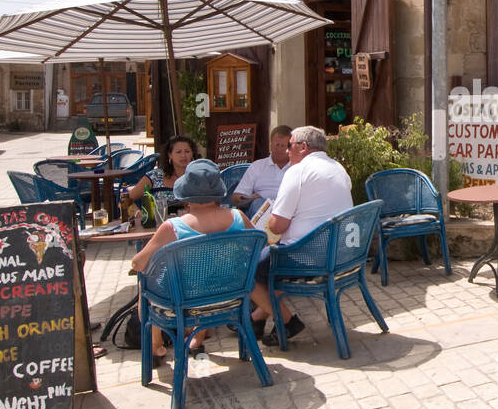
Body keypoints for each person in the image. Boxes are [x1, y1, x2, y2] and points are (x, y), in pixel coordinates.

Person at [130, 159, 247, 365]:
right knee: (207, 274)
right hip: (231, 295)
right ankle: (196, 338)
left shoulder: (173, 227)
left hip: (185, 301)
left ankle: (156, 346)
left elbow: (138, 264)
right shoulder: (238, 217)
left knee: (145, 284)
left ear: (186, 194)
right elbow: (260, 244)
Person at [249, 125, 351, 342]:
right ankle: (257, 318)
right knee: (268, 266)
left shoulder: (297, 171)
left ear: (303, 147)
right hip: (341, 252)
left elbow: (276, 226)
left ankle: (287, 321)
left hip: (307, 256)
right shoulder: (338, 168)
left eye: (289, 145)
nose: (286, 151)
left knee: (248, 270)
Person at [230, 124, 292, 217]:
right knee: (258, 204)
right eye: (276, 145)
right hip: (260, 211)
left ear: (290, 147)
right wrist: (248, 198)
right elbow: (235, 198)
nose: (279, 149)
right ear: (270, 144)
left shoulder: (298, 167)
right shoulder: (257, 166)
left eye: (283, 146)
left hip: (288, 210)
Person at [128, 134, 196, 215]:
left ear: (192, 154)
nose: (183, 155)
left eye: (187, 151)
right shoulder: (155, 176)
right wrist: (139, 214)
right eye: (178, 152)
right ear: (170, 155)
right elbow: (128, 199)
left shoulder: (199, 176)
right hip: (160, 224)